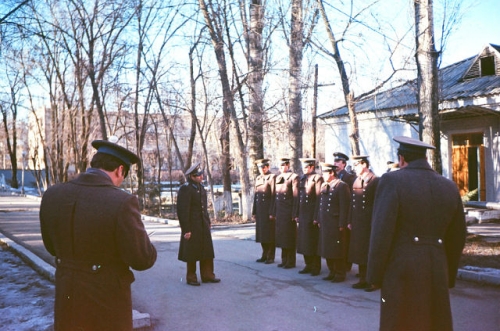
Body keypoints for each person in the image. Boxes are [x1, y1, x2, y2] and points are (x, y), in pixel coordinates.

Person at [40, 138, 157, 331]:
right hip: (106, 305)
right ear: (120, 170)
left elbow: (51, 247)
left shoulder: (52, 194)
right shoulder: (122, 202)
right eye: (123, 176)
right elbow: (142, 259)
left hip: (66, 300)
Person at [367, 136, 466, 331]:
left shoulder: (392, 180)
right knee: (433, 323)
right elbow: (458, 237)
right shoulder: (449, 186)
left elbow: (381, 232)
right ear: (425, 159)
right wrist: (448, 275)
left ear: (402, 158)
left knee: (400, 323)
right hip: (436, 269)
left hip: (401, 270)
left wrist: (374, 276)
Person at [177, 162, 220, 286]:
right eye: (198, 175)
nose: (201, 177)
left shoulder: (200, 188)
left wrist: (208, 222)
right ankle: (191, 277)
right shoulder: (186, 188)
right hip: (192, 226)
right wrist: (186, 229)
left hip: (202, 224)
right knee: (192, 252)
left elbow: (204, 208)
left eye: (201, 174)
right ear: (191, 176)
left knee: (206, 250)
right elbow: (183, 211)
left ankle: (208, 275)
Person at [347, 155, 379, 291]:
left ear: (364, 165)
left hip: (369, 221)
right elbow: (352, 203)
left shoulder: (375, 180)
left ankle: (373, 281)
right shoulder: (356, 180)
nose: (355, 168)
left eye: (357, 165)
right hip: (358, 221)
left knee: (370, 252)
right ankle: (362, 279)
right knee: (360, 250)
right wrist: (349, 220)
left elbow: (379, 203)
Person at [317, 163, 351, 282]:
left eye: (325, 173)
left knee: (337, 248)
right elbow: (320, 204)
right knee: (327, 248)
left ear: (331, 173)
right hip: (326, 222)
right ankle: (332, 271)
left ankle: (340, 273)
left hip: (335, 223)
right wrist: (319, 218)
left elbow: (344, 207)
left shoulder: (341, 186)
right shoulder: (325, 185)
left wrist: (342, 224)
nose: (323, 175)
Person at [296, 158, 324, 276]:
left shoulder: (317, 178)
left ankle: (315, 267)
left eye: (307, 167)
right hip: (303, 214)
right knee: (304, 241)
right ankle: (308, 264)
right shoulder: (302, 178)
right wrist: (296, 213)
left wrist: (316, 216)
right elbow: (298, 198)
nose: (305, 169)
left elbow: (318, 198)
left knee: (312, 241)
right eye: (303, 167)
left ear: (312, 167)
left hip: (311, 214)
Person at [272, 157, 299, 268]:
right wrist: (273, 212)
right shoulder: (278, 177)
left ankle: (291, 261)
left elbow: (295, 197)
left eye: (283, 165)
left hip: (288, 212)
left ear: (288, 165)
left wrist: (294, 213)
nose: (282, 167)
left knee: (289, 237)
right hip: (280, 212)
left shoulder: (293, 177)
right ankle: (284, 259)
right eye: (280, 165)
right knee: (282, 236)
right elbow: (275, 197)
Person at [333, 152, 355, 271]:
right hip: (335, 213)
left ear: (344, 164)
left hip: (345, 212)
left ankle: (346, 264)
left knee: (345, 240)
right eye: (335, 162)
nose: (335, 164)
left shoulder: (349, 177)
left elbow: (351, 198)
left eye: (338, 162)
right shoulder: (333, 176)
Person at [252, 158, 276, 264]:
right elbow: (256, 196)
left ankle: (270, 256)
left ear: (268, 167)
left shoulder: (272, 177)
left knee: (269, 234)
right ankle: (264, 254)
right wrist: (254, 211)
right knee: (262, 234)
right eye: (260, 168)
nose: (262, 169)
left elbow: (274, 196)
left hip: (268, 211)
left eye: (263, 167)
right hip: (260, 211)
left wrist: (272, 212)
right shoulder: (258, 178)